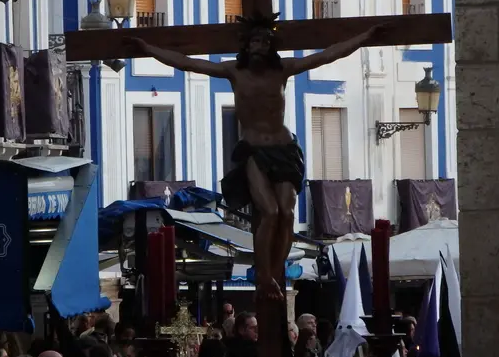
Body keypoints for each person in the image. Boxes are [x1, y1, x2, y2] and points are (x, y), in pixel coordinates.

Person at [127, 16, 386, 305]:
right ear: (246, 46)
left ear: (271, 46)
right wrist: (149, 48)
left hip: (285, 149)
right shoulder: (233, 72)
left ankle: (275, 273)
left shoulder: (283, 70)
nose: (260, 47)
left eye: (264, 42)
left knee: (287, 213)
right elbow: (187, 63)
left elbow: (326, 55)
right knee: (270, 212)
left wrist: (364, 38)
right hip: (253, 151)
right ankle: (264, 274)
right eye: (255, 41)